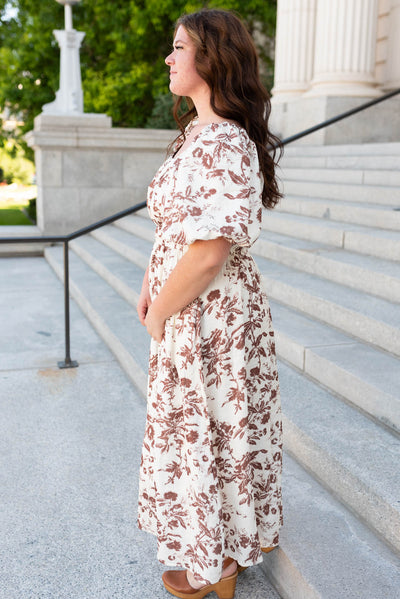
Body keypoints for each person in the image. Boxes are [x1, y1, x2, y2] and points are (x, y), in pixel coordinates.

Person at [137, 8, 283, 599]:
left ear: (212, 58)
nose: (169, 59)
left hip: (210, 315)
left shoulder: (225, 141)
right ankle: (220, 545)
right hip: (189, 307)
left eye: (178, 48)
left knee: (214, 428)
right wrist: (151, 281)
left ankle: (219, 563)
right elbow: (175, 228)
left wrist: (162, 310)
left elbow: (208, 250)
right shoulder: (196, 135)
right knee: (205, 428)